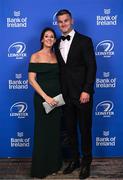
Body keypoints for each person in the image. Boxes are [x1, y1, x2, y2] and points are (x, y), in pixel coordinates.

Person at [55, 9, 97, 179]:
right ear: (57, 24)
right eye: (60, 21)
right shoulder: (57, 43)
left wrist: (87, 89)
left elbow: (92, 67)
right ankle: (74, 160)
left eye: (66, 20)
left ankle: (86, 163)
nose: (63, 24)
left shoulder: (85, 41)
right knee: (70, 130)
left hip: (82, 95)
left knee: (85, 129)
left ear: (71, 21)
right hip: (65, 95)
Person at [28, 27, 62, 179]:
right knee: (42, 133)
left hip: (57, 101)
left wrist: (57, 97)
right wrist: (46, 97)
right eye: (46, 36)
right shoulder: (35, 56)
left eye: (52, 36)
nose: (49, 39)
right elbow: (31, 80)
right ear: (42, 39)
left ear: (55, 40)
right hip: (42, 100)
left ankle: (53, 166)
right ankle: (40, 169)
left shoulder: (57, 56)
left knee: (54, 134)